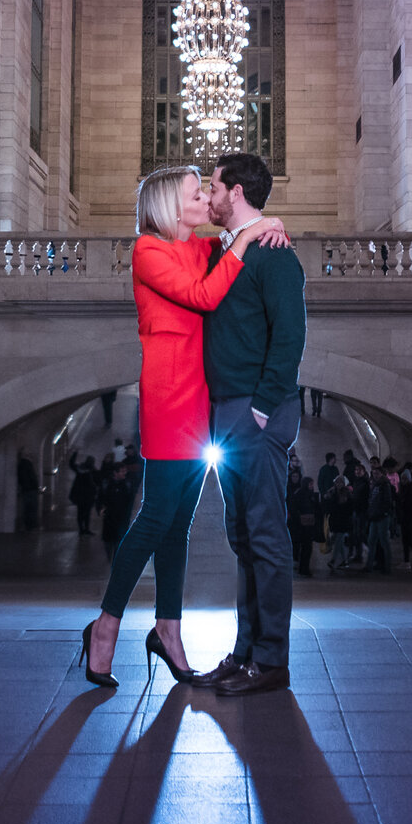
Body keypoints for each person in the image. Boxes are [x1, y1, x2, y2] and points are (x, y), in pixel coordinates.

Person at [76, 164, 288, 689]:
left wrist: (267, 223)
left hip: (202, 402)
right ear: (172, 206)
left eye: (205, 193)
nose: (204, 202)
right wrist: (255, 234)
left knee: (178, 526)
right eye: (196, 195)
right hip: (170, 399)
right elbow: (204, 297)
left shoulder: (201, 248)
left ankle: (168, 630)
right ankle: (104, 627)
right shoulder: (148, 251)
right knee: (154, 519)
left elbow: (233, 246)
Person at [187, 152, 309, 697]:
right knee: (241, 535)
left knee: (265, 535)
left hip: (257, 413)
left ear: (234, 192)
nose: (209, 197)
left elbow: (290, 338)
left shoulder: (275, 257)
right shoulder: (228, 250)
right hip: (226, 412)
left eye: (212, 187)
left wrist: (261, 407)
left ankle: (272, 660)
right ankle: (245, 652)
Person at [286, 464, 321, 578]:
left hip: (308, 526)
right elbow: (294, 508)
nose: (312, 486)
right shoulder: (300, 495)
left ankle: (304, 568)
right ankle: (303, 568)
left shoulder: (310, 495)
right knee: (305, 548)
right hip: (302, 527)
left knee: (307, 548)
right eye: (310, 484)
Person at [68, 456, 96, 535]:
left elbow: (71, 464)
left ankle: (81, 529)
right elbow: (96, 482)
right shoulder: (92, 470)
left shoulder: (79, 469)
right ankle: (86, 529)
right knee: (87, 513)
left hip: (80, 495)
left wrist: (74, 454)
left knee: (80, 513)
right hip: (88, 496)